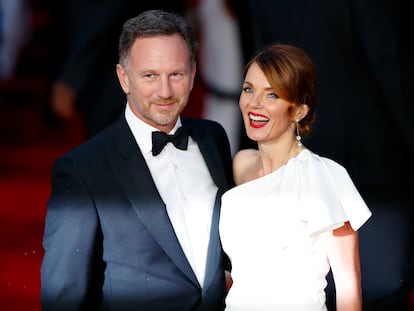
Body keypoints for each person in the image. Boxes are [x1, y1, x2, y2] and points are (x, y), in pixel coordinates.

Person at [41, 9, 234, 311]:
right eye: (150, 76)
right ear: (124, 78)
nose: (165, 91)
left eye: (176, 74)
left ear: (194, 73)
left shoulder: (213, 139)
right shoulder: (82, 170)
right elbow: (64, 296)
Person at [219, 43, 372, 311]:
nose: (254, 104)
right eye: (248, 89)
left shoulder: (324, 176)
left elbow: (348, 287)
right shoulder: (240, 164)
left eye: (272, 95)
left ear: (299, 110)